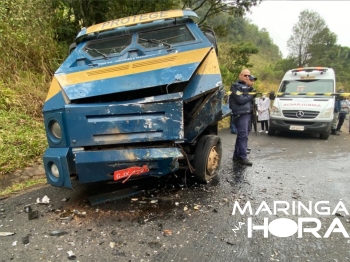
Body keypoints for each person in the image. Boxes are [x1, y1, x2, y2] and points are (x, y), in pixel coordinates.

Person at [229, 69, 255, 166]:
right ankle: (243, 157)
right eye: (245, 75)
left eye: (249, 75)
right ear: (240, 75)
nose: (247, 77)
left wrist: (251, 89)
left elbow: (248, 99)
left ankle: (237, 155)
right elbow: (240, 100)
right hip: (240, 113)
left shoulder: (247, 87)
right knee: (243, 135)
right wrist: (251, 96)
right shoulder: (236, 86)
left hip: (247, 113)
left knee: (243, 135)